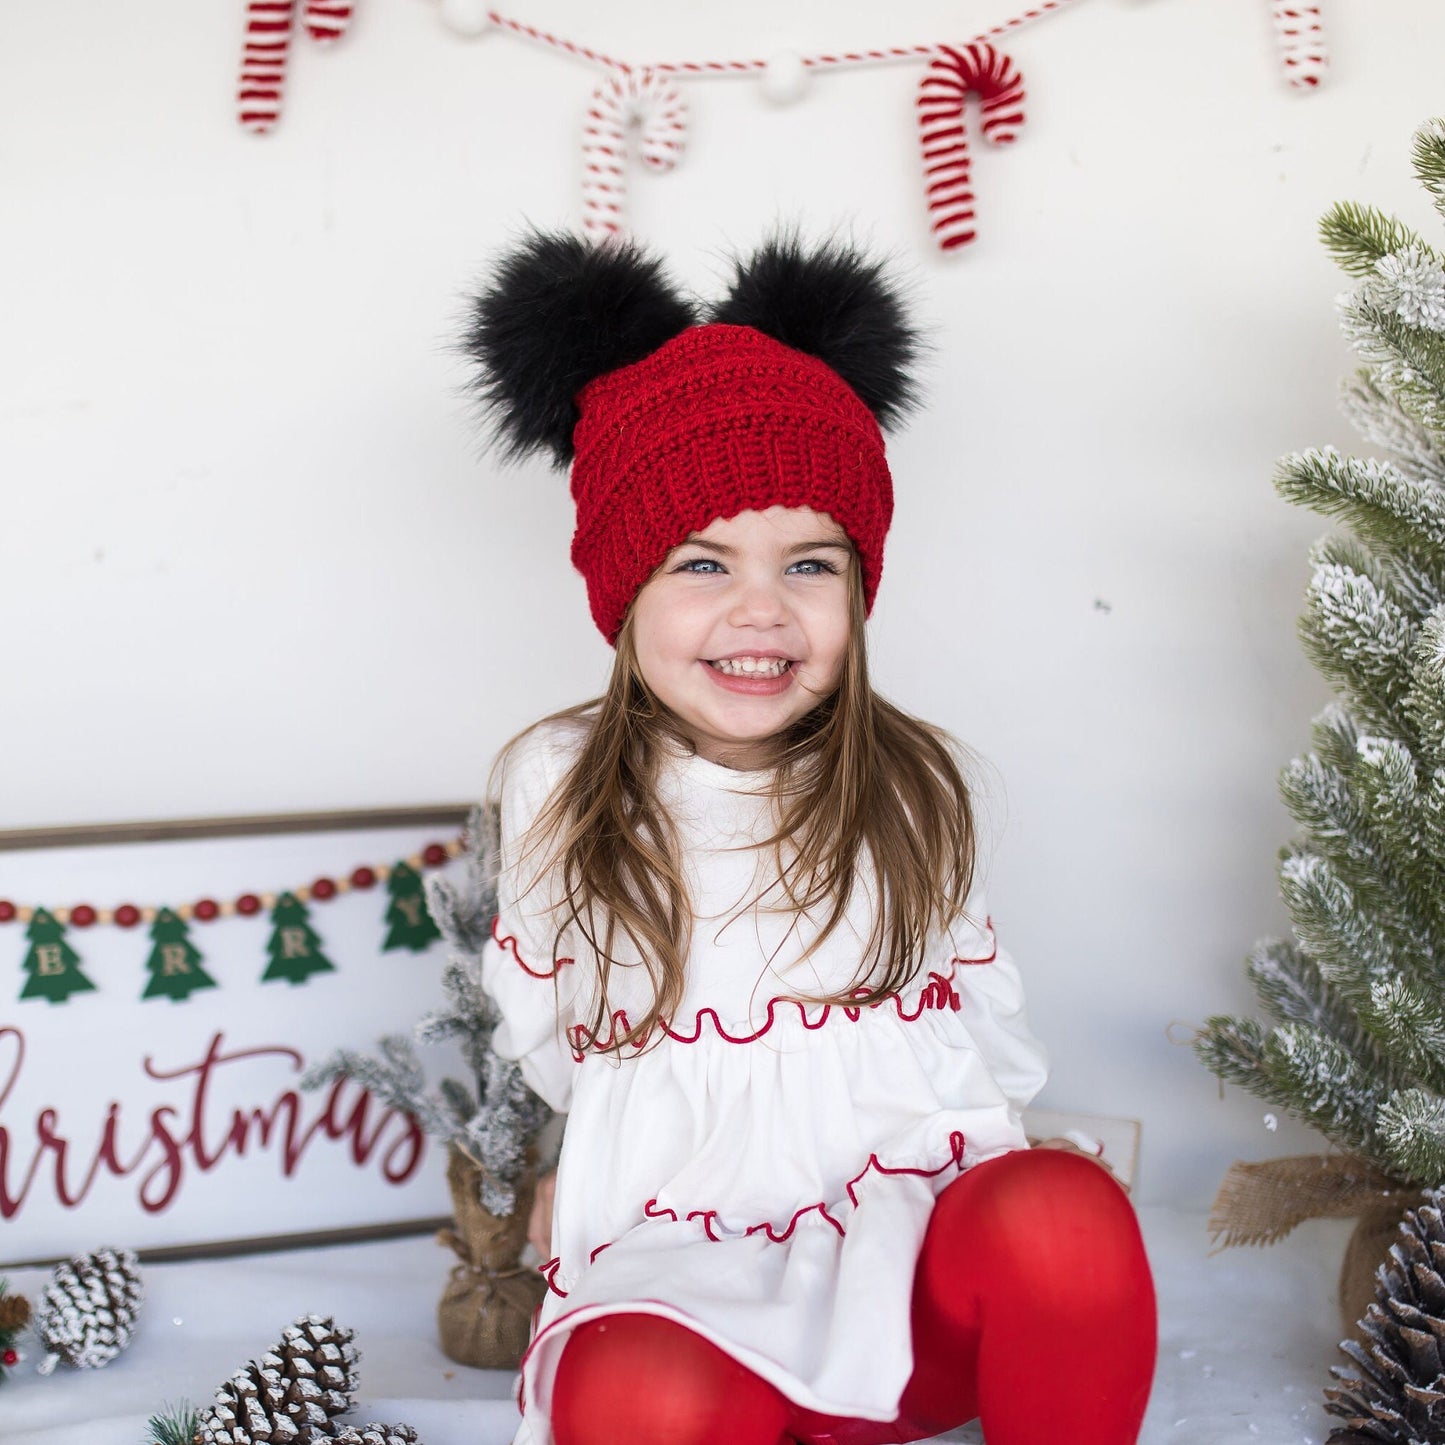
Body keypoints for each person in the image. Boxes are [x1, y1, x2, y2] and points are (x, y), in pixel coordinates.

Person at [461, 230, 1157, 1445]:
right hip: (690, 1283)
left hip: (908, 1285)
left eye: (809, 561)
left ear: (857, 586)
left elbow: (987, 1033)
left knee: (1066, 1210)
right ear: (621, 589)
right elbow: (553, 1037)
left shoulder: (910, 777)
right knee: (641, 1387)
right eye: (701, 561)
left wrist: (988, 1149)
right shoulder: (559, 781)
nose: (760, 611)